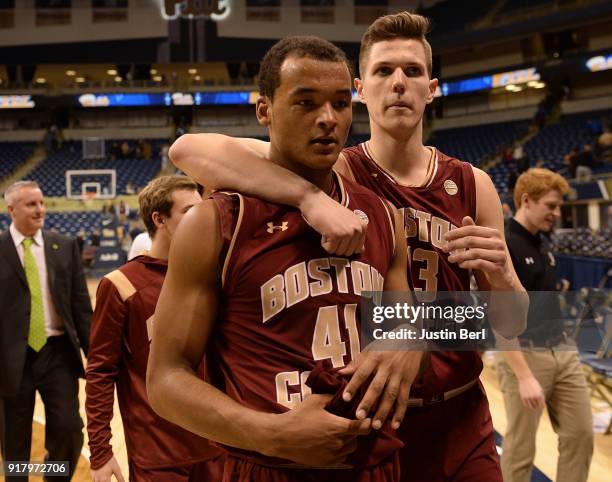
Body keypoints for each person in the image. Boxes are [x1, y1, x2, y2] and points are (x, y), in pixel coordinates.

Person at [168, 11, 528, 482]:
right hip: (367, 414)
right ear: (361, 89)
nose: (398, 83)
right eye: (383, 71)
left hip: (460, 408)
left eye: (413, 71)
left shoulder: (473, 183)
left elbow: (517, 322)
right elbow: (188, 150)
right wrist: (307, 195)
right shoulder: (333, 169)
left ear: (432, 88)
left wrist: (497, 282)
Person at [147, 36, 424, 482]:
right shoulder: (217, 223)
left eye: (339, 103)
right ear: (264, 111)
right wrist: (270, 434)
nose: (328, 119)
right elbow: (164, 381)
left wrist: (412, 339)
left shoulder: (381, 215)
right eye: (306, 102)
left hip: (375, 466)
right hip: (265, 465)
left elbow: (406, 330)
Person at [86, 176, 223, 482]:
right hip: (158, 455)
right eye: (189, 212)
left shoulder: (216, 276)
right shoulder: (120, 285)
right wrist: (100, 451)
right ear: (159, 219)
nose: (202, 220)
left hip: (220, 445)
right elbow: (100, 372)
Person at [495, 168, 593, 482]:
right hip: (524, 354)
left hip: (562, 351)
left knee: (581, 435)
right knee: (521, 449)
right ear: (526, 200)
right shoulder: (505, 246)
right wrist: (523, 376)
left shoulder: (542, 244)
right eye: (551, 205)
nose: (557, 213)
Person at [0, 180, 92, 481]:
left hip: (57, 354)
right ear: (11, 209)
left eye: (41, 203)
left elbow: (81, 307)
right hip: (11, 360)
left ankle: (54, 475)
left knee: (67, 428)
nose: (40, 210)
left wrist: (98, 358)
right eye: (31, 204)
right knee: (14, 443)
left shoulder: (63, 246)